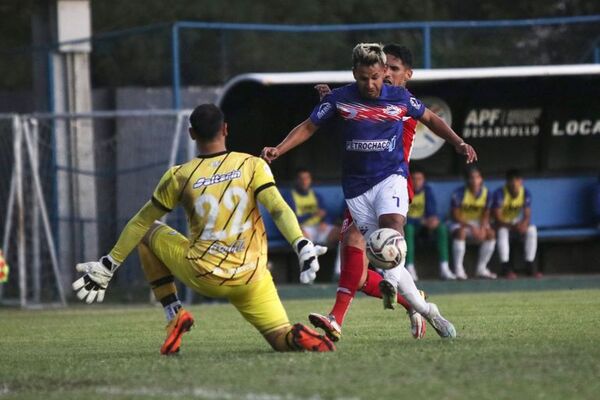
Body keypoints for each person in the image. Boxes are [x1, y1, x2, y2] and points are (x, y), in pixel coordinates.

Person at [72, 104, 335, 354]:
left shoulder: (180, 175)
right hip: (252, 276)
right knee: (280, 337)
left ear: (191, 134)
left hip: (205, 275)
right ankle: (295, 335)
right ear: (225, 130)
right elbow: (277, 208)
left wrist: (109, 264)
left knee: (148, 232)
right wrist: (300, 243)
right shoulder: (252, 165)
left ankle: (174, 315)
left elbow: (140, 222)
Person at [262, 43, 478, 341]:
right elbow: (320, 121)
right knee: (365, 270)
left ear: (406, 75)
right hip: (357, 186)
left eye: (390, 71)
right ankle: (422, 307)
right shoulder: (349, 97)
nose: (381, 78)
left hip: (392, 178)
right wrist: (330, 100)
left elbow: (430, 118)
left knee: (387, 234)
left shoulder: (402, 100)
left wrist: (458, 142)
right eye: (375, 73)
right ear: (357, 75)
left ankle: (345, 312)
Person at [405, 168, 453, 280]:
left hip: (424, 226)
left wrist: (432, 220)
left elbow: (431, 212)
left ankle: (444, 267)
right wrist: (419, 220)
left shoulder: (427, 190)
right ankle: (410, 267)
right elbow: (401, 215)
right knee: (408, 229)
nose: (417, 182)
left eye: (420, 179)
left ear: (424, 180)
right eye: (414, 179)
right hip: (409, 225)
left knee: (441, 228)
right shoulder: (404, 190)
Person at [450, 167, 496, 280]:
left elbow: (486, 214)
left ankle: (482, 268)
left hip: (477, 223)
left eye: (477, 177)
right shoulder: (459, 193)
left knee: (491, 234)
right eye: (472, 178)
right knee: (461, 233)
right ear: (467, 180)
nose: (475, 180)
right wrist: (471, 227)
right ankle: (458, 270)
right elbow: (455, 216)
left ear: (481, 179)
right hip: (461, 223)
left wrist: (482, 228)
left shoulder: (487, 193)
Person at [492, 169, 538, 278]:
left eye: (517, 181)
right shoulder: (500, 193)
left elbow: (527, 215)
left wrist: (523, 224)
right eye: (511, 181)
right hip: (502, 223)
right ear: (507, 182)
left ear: (521, 181)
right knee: (502, 232)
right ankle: (505, 266)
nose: (514, 184)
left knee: (531, 229)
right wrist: (513, 226)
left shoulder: (525, 192)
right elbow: (497, 218)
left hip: (515, 221)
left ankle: (529, 264)